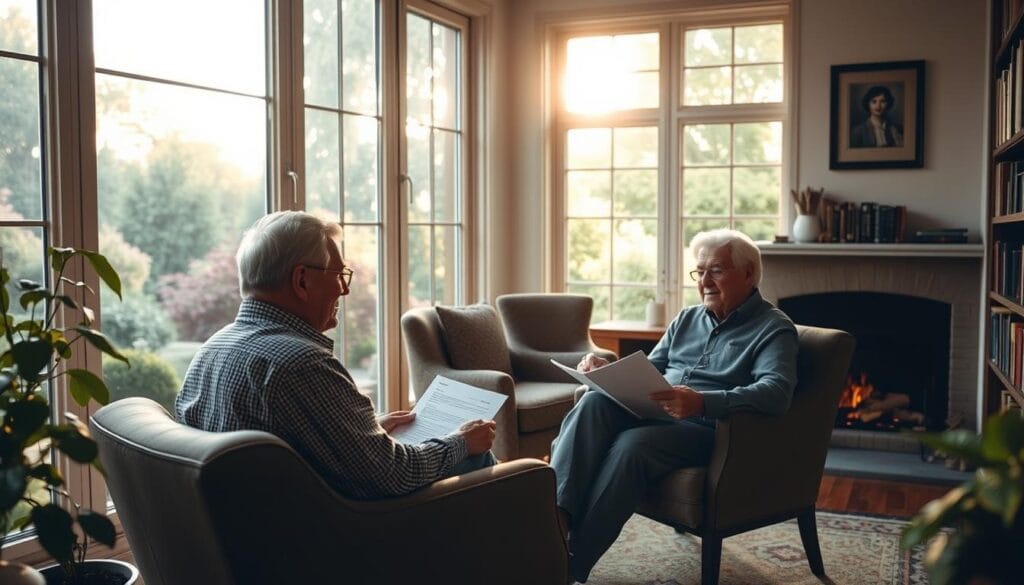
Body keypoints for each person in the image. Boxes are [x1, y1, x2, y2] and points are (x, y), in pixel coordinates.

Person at [176, 211, 497, 499]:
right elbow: (393, 475)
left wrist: (361, 435)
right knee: (477, 457)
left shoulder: (212, 349)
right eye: (339, 276)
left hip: (248, 540)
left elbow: (291, 451)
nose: (344, 290)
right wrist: (461, 442)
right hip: (334, 545)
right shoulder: (302, 365)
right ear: (302, 280)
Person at [550, 229, 798, 583]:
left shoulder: (774, 329)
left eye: (717, 270)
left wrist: (701, 402)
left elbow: (775, 393)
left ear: (748, 274)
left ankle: (568, 567)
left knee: (632, 446)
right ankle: (553, 521)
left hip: (710, 429)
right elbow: (653, 367)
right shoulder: (686, 318)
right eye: (700, 272)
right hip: (658, 412)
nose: (706, 281)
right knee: (593, 402)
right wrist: (611, 373)